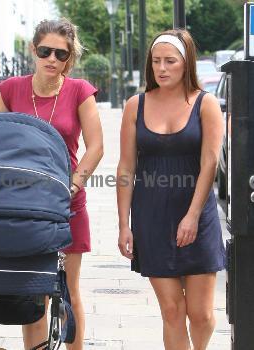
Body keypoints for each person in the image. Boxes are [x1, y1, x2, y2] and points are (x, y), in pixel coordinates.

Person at [0, 18, 103, 350]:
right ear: (33, 50)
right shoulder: (11, 89)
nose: (52, 59)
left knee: (67, 290)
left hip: (67, 203)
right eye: (45, 51)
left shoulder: (80, 91)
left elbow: (96, 147)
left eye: (61, 54)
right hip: (24, 205)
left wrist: (73, 186)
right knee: (32, 292)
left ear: (70, 58)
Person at [116, 29, 226, 350]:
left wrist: (192, 216)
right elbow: (126, 167)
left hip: (197, 215)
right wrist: (124, 224)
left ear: (186, 63)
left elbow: (209, 165)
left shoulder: (205, 105)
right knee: (172, 310)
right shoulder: (135, 106)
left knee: (201, 315)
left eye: (169, 61)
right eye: (155, 62)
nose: (161, 69)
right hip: (151, 217)